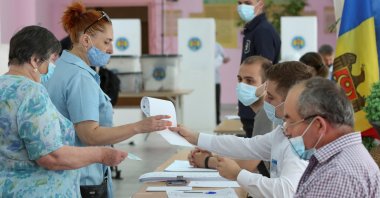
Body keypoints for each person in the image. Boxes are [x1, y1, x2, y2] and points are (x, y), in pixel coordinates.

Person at [44, 3, 171, 197]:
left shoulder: (60, 68)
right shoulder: (80, 78)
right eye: (106, 42)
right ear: (86, 41)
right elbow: (90, 135)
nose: (111, 49)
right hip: (83, 179)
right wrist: (139, 127)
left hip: (65, 175)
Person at [0, 25, 127, 197]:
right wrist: (102, 154)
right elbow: (51, 156)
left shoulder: (4, 87)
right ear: (35, 60)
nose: (53, 66)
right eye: (51, 61)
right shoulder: (32, 93)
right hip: (39, 190)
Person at [171, 61, 313, 197]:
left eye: (270, 97)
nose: (265, 101)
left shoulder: (301, 140)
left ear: (291, 100)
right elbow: (246, 146)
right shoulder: (283, 131)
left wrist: (238, 174)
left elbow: (286, 192)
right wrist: (195, 137)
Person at [283, 77, 380, 197]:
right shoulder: (339, 162)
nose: (286, 130)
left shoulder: (338, 174)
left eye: (290, 121)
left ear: (319, 125)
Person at [190, 56, 273, 175]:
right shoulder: (262, 112)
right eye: (240, 79)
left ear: (266, 85)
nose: (242, 85)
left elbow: (249, 164)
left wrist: (207, 161)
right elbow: (249, 151)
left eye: (250, 81)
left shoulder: (267, 114)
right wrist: (214, 153)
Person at [237, 0, 281, 141]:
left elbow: (264, 71)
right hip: (251, 107)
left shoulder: (263, 31)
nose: (243, 6)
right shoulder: (252, 30)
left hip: (258, 108)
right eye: (240, 2)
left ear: (260, 4)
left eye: (248, 2)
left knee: (258, 158)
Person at [215, 41, 229, 124]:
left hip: (215, 80)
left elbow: (226, 58)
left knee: (216, 101)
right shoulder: (202, 44)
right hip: (203, 80)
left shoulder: (217, 46)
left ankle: (217, 120)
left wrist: (220, 60)